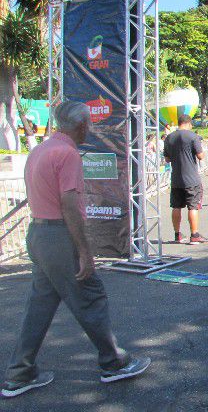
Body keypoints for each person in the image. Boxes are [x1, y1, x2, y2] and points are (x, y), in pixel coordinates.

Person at [1, 101, 150, 399]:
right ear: (82, 126)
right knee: (90, 297)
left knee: (39, 306)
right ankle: (114, 362)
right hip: (58, 236)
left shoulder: (41, 150)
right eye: (89, 125)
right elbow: (69, 203)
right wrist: (84, 250)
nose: (90, 129)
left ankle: (20, 373)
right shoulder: (67, 154)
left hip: (39, 233)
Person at [164, 114, 208, 245]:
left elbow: (167, 159)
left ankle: (177, 234)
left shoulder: (169, 137)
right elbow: (200, 156)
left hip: (176, 178)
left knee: (176, 206)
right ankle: (194, 235)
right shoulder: (192, 136)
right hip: (191, 179)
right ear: (188, 123)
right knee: (193, 207)